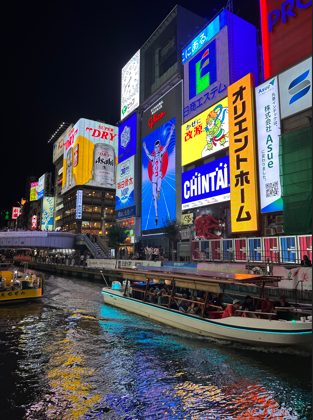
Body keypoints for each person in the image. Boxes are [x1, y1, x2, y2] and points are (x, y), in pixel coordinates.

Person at [143, 124, 175, 226]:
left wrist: (171, 132)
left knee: (158, 184)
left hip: (159, 175)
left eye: (158, 146)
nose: (157, 148)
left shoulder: (160, 154)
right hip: (153, 178)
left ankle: (159, 190)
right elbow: (147, 153)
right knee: (154, 197)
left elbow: (167, 144)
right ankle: (156, 215)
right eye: (156, 147)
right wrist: (144, 147)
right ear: (154, 148)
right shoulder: (152, 157)